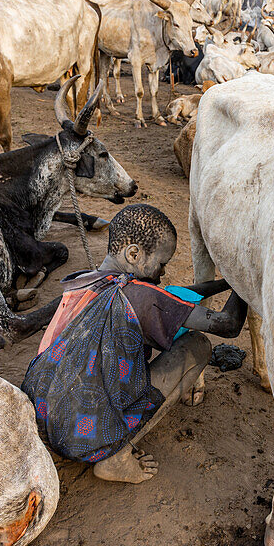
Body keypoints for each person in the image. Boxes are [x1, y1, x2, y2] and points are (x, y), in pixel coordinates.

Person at [22, 203, 247, 483]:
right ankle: (116, 455)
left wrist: (224, 284)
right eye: (161, 264)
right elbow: (229, 325)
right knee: (197, 346)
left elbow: (170, 296)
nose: (162, 273)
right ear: (134, 254)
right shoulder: (139, 297)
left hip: (40, 413)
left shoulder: (84, 280)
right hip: (83, 437)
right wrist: (245, 278)